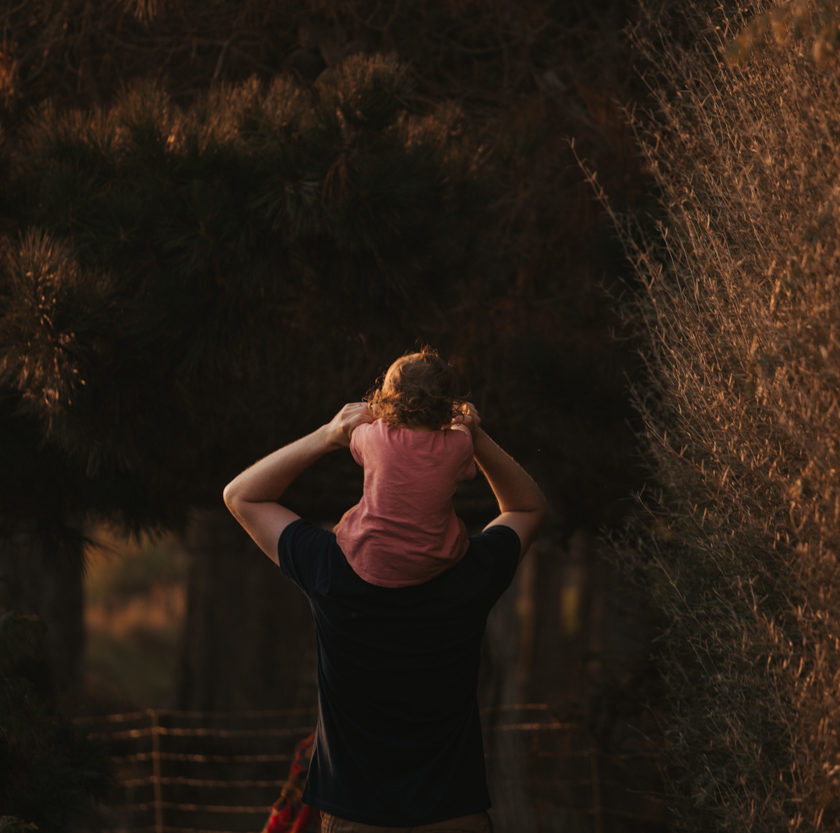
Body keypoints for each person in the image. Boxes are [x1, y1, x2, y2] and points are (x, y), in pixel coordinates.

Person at [223, 396, 547, 833]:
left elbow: (241, 495)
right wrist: (478, 440)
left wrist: (328, 435)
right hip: (453, 814)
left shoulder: (328, 567)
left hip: (354, 816)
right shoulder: (472, 571)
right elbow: (526, 508)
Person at [334, 348, 477, 588]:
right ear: (448, 404)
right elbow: (468, 463)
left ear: (388, 400)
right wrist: (465, 423)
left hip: (370, 557)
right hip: (432, 562)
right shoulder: (459, 444)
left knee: (346, 522)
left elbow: (357, 433)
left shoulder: (373, 436)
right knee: (457, 532)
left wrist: (376, 412)